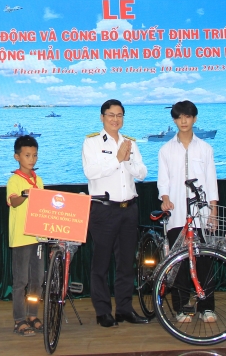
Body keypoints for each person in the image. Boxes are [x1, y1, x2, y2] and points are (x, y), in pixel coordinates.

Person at [82, 99, 149, 327]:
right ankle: (102, 312)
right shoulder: (91, 142)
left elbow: (141, 173)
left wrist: (127, 159)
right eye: (111, 115)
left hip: (129, 209)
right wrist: (116, 158)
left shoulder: (130, 142)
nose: (115, 119)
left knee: (126, 263)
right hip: (104, 210)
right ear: (102, 117)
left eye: (119, 115)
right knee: (100, 264)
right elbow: (91, 172)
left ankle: (124, 309)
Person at [157, 100, 218, 324]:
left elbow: (212, 181)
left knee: (205, 261)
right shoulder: (165, 149)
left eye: (188, 116)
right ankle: (182, 308)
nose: (183, 121)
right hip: (176, 213)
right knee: (179, 262)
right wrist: (165, 199)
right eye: (179, 117)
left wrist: (212, 211)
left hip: (202, 213)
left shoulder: (205, 148)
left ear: (195, 119)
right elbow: (163, 181)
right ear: (174, 120)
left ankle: (207, 307)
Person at [6, 135, 45, 336]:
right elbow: (13, 202)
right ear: (17, 157)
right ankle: (19, 319)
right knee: (20, 281)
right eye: (27, 155)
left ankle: (32, 315)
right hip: (21, 238)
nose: (32, 159)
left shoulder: (39, 180)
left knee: (37, 279)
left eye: (35, 155)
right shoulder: (14, 180)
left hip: (38, 238)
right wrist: (26, 194)